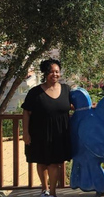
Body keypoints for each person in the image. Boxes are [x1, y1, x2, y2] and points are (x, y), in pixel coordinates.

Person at [22, 59, 71, 197]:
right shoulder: (34, 92)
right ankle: (44, 190)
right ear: (45, 73)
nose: (54, 74)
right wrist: (25, 132)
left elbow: (73, 105)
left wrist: (91, 107)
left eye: (57, 71)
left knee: (55, 163)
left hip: (60, 133)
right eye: (51, 72)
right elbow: (26, 112)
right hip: (39, 133)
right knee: (42, 162)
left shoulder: (67, 89)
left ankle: (53, 193)